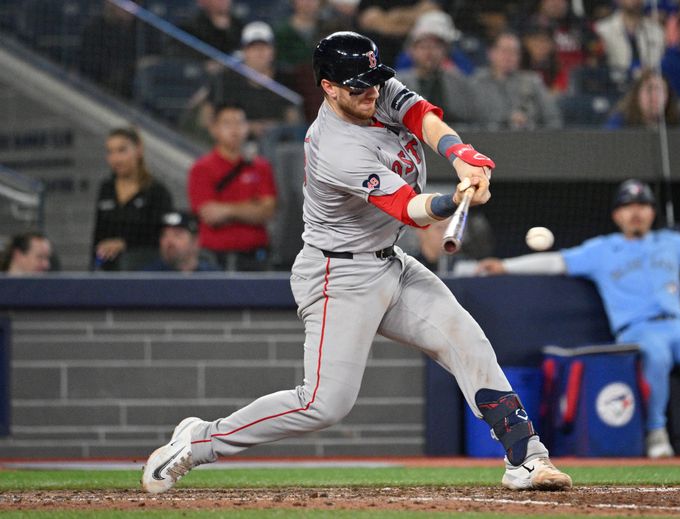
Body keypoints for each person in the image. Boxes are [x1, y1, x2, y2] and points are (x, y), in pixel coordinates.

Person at [143, 30, 572, 494]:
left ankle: (526, 459)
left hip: (390, 261)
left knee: (467, 341)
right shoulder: (335, 147)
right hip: (338, 274)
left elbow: (421, 115)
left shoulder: (373, 88)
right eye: (356, 85)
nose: (371, 90)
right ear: (328, 87)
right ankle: (201, 440)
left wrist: (462, 155)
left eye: (373, 80)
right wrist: (455, 197)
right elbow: (408, 208)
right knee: (324, 405)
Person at [477, 178, 680, 458]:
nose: (636, 212)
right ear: (617, 215)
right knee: (656, 354)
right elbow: (556, 262)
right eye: (628, 206)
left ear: (652, 212)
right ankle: (656, 434)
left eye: (642, 205)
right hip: (637, 332)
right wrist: (504, 265)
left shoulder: (670, 242)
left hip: (677, 328)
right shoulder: (603, 249)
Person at [187, 103, 278, 271]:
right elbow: (209, 215)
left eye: (240, 123)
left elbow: (268, 211)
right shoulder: (201, 168)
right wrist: (251, 208)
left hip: (255, 257)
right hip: (214, 258)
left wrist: (227, 211)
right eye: (227, 123)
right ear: (214, 129)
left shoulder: (261, 166)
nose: (234, 130)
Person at [92, 127, 174, 271]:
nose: (115, 159)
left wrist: (124, 244)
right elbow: (98, 234)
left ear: (138, 150)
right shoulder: (106, 189)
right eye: (110, 152)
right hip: (108, 268)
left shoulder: (156, 191)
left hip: (144, 268)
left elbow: (162, 236)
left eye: (122, 150)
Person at [206, 21, 303, 139]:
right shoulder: (227, 79)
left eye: (264, 47)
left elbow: (294, 119)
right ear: (244, 51)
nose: (259, 52)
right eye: (254, 48)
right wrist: (250, 127)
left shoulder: (285, 78)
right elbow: (210, 118)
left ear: (272, 51)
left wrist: (276, 128)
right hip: (237, 141)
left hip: (278, 144)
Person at [395, 13, 476, 124]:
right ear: (412, 51)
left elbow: (469, 116)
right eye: (423, 47)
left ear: (445, 51)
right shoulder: (398, 82)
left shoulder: (457, 81)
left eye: (435, 47)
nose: (429, 52)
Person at [471, 32, 563, 130]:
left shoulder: (532, 81)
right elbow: (472, 118)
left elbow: (554, 118)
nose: (509, 56)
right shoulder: (476, 82)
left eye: (514, 52)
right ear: (491, 53)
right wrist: (507, 118)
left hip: (529, 139)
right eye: (504, 51)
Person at [594, 0, 665, 87]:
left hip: (647, 88)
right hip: (613, 89)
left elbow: (659, 67)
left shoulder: (656, 31)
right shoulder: (602, 30)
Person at [141, 211, 220, 273]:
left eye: (177, 234)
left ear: (195, 242)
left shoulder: (214, 278)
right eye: (164, 235)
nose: (169, 241)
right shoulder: (148, 278)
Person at [605, 69, 680, 129]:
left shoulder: (679, 124)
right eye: (649, 89)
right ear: (637, 94)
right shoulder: (619, 123)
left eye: (660, 90)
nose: (654, 96)